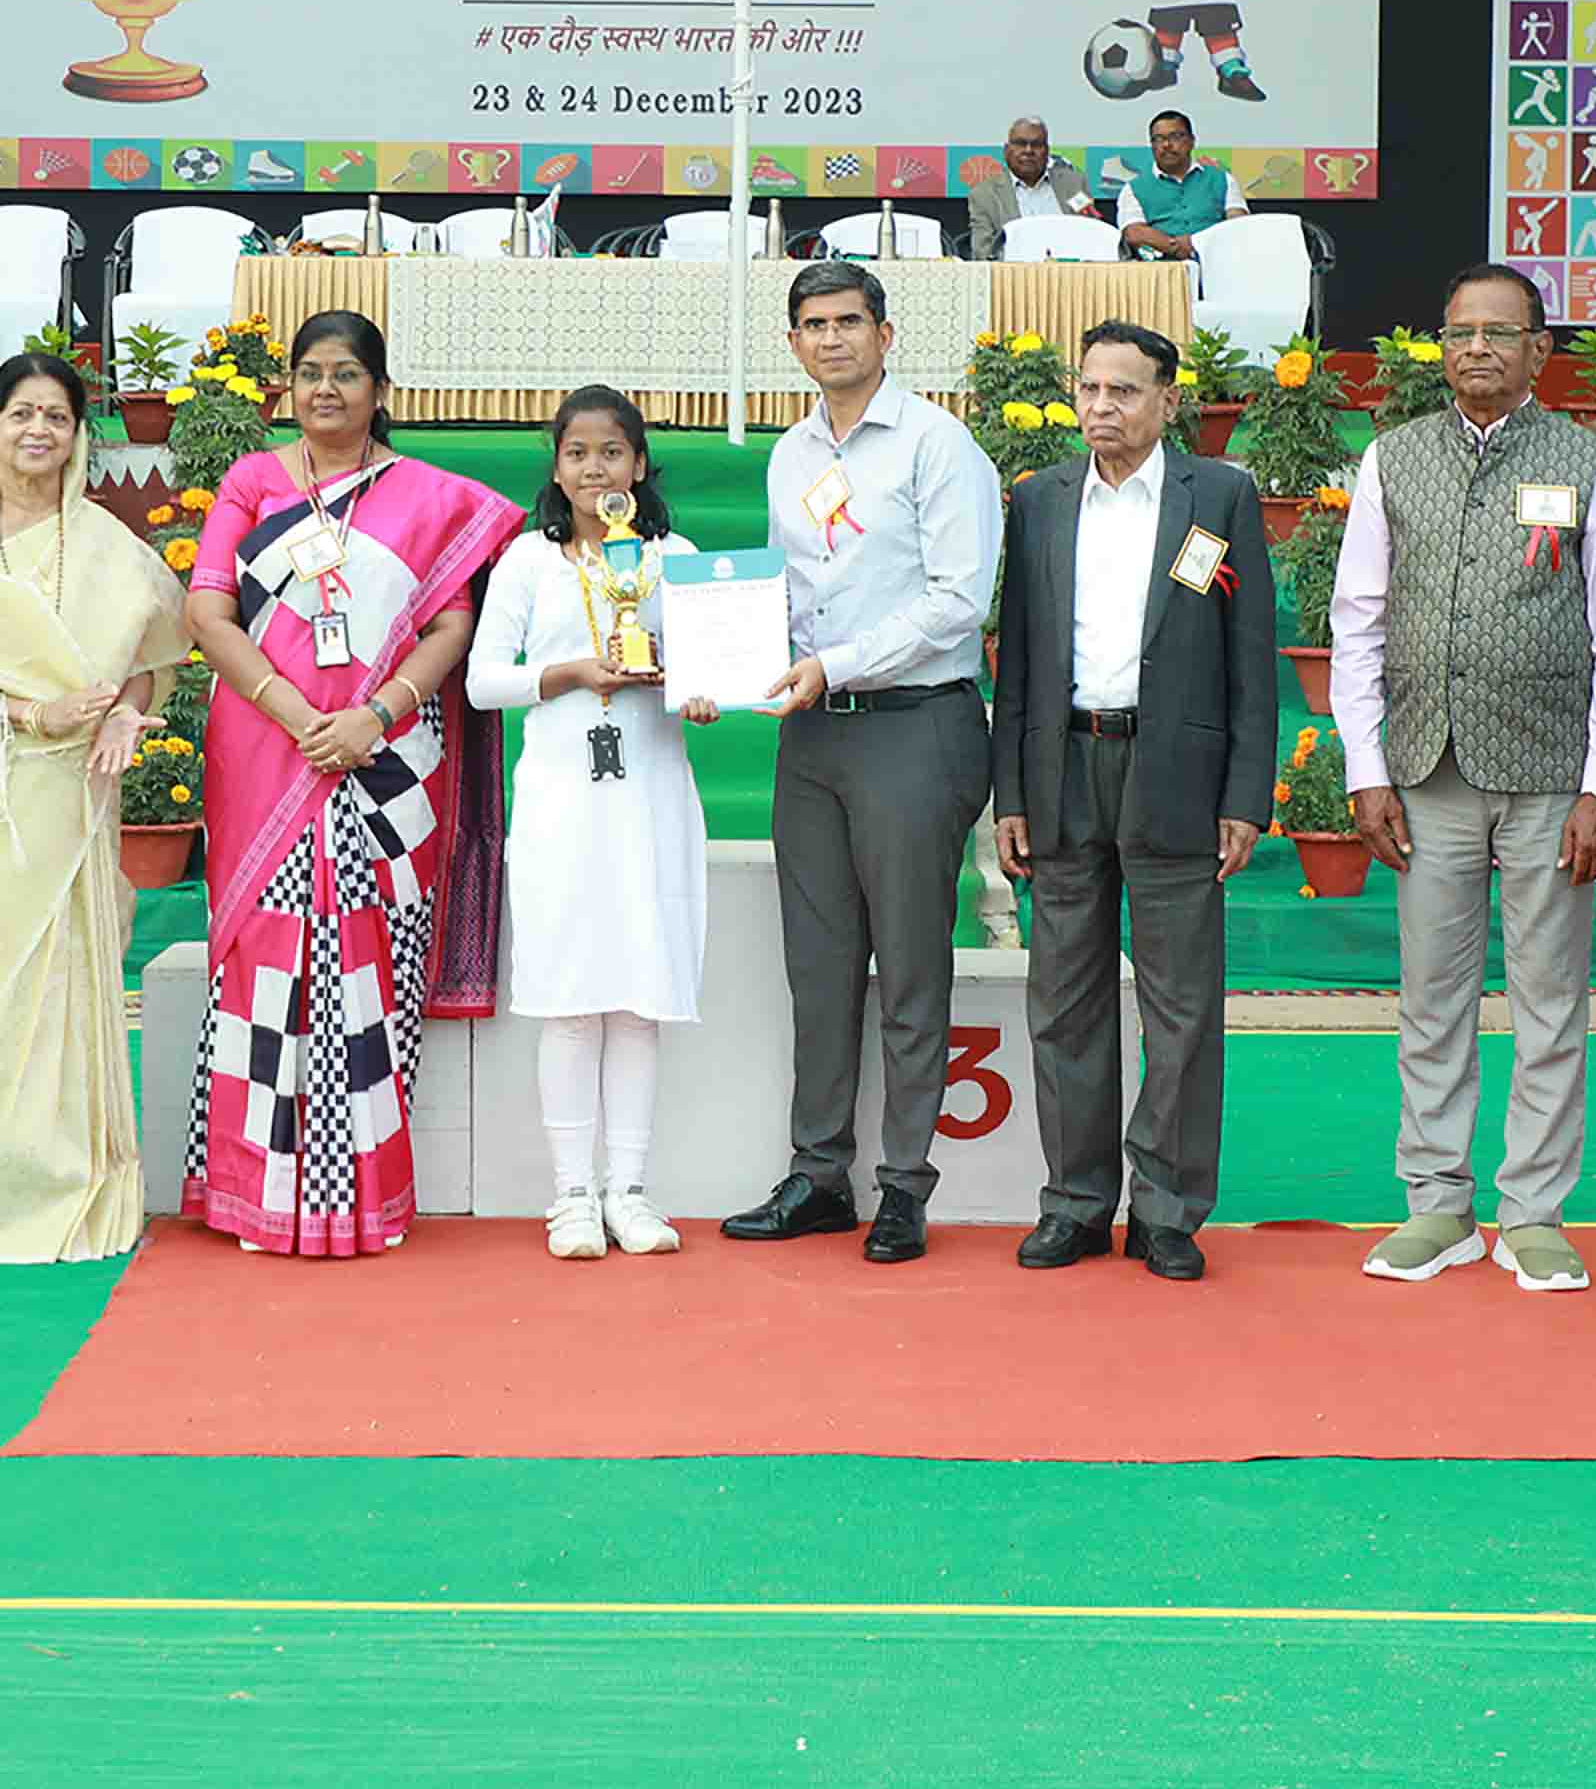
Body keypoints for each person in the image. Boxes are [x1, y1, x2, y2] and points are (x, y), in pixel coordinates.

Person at [1331, 261, 1596, 1294]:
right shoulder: (1392, 458)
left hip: (1551, 776)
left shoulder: (1592, 464)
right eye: (1460, 331)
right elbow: (1357, 621)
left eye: (1499, 333)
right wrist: (1366, 765)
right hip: (1428, 769)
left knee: (1549, 1001)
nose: (1476, 348)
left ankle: (1535, 1213)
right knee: (1433, 999)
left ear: (1539, 351)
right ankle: (1437, 1204)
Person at [182, 309, 522, 1257]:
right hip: (266, 753)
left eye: (345, 373)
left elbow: (452, 626)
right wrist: (299, 717)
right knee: (266, 963)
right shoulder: (253, 482)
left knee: (371, 961)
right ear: (287, 387)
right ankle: (253, 1193)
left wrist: (376, 714)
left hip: (389, 762)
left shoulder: (429, 498)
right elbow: (207, 611)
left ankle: (362, 1195)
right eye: (308, 373)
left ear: (380, 391)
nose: (324, 390)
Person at [723, 261, 1002, 1264]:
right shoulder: (790, 452)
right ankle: (819, 1173)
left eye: (849, 321)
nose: (831, 338)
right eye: (813, 324)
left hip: (913, 723)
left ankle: (904, 1184)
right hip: (815, 734)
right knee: (820, 960)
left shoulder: (937, 443)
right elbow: (784, 588)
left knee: (911, 962)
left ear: (886, 335)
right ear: (792, 342)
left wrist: (831, 663)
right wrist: (720, 661)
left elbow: (958, 600)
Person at [990, 320, 1279, 1282]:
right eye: (1090, 388)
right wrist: (1010, 791)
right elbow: (1017, 656)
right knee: (1063, 1003)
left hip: (1178, 776)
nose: (1101, 407)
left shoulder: (1218, 497)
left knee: (1181, 1009)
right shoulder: (1040, 500)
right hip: (1064, 767)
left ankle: (1166, 1210)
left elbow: (1251, 656)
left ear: (1168, 400)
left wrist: (1245, 795)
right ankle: (1075, 1203)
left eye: (1123, 390)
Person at [0, 350, 190, 1262]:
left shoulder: (106, 544)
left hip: (75, 791)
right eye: (21, 413)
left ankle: (80, 1184)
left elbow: (158, 651)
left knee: (64, 978)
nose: (39, 430)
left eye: (57, 416)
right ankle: (7, 1192)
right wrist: (32, 714)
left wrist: (127, 714)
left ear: (78, 435)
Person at [467, 386, 722, 1260]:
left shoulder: (674, 558)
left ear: (640, 465)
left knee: (641, 998)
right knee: (571, 999)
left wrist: (698, 688)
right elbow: (482, 682)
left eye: (612, 452)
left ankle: (631, 1191)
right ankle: (571, 1194)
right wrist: (573, 672)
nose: (595, 469)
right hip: (562, 800)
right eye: (577, 453)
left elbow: (712, 665)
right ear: (556, 466)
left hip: (650, 796)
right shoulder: (527, 562)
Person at [1114, 109, 1246, 262]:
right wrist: (1176, 246)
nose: (1166, 145)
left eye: (1175, 137)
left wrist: (1200, 245)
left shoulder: (1222, 179)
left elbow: (1238, 225)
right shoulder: (1134, 189)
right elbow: (1134, 233)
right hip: (1162, 269)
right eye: (1158, 139)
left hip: (1217, 263)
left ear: (1192, 141)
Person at [966, 116, 1098, 254]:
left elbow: (1094, 233)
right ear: (1006, 151)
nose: (1028, 151)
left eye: (1036, 144)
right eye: (1020, 144)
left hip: (1071, 265)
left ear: (1047, 151)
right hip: (1016, 267)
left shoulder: (1074, 185)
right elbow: (983, 251)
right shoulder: (984, 195)